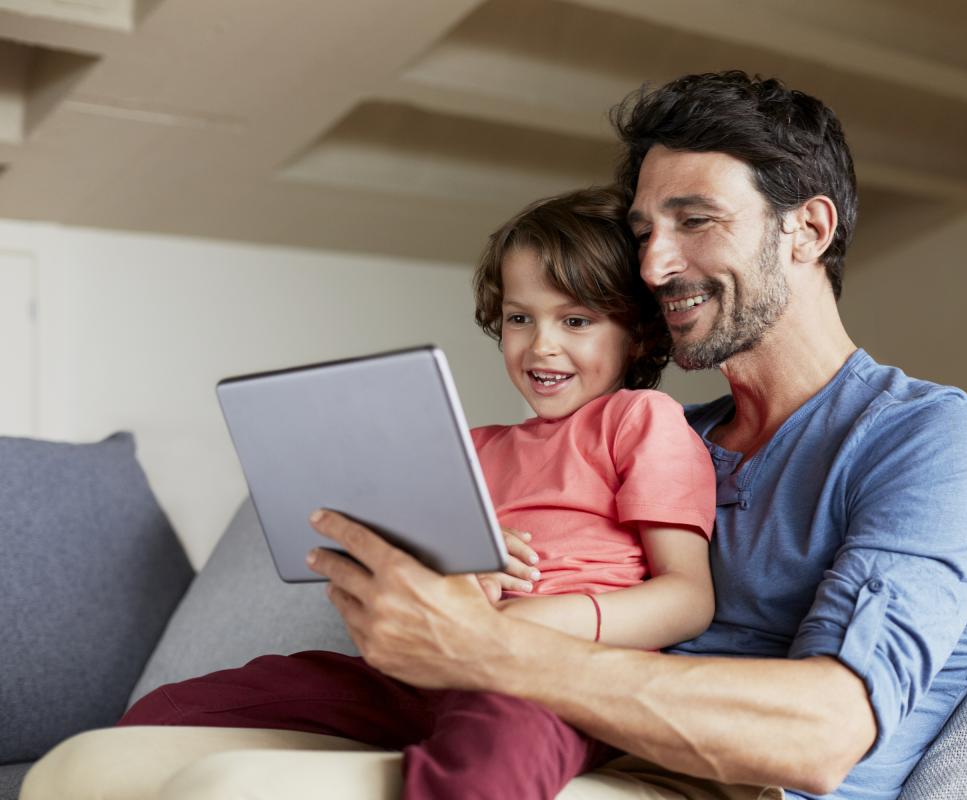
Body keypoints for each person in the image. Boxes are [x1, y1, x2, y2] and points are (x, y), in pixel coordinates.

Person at [24, 71, 967, 800]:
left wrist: (488, 646)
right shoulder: (671, 430)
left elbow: (822, 733)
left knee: (226, 793)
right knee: (79, 770)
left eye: (697, 220)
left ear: (806, 230)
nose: (658, 261)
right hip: (572, 730)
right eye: (642, 229)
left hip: (720, 782)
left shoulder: (920, 435)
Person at [20, 187, 717, 800]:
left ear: (639, 333)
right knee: (174, 707)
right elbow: (416, 587)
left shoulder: (639, 421)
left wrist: (532, 626)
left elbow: (687, 600)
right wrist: (452, 575)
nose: (541, 347)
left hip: (551, 675)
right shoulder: (469, 445)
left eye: (576, 321)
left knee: (490, 758)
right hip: (425, 666)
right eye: (518, 318)